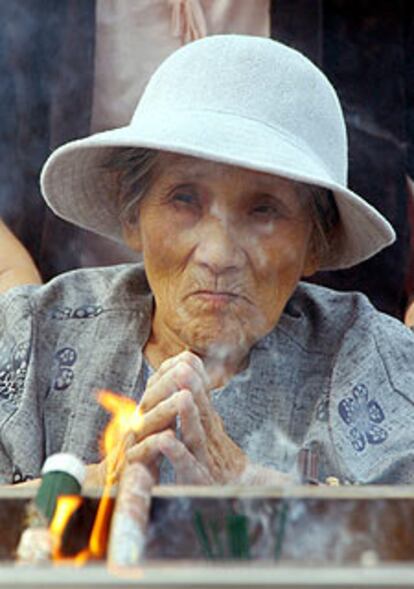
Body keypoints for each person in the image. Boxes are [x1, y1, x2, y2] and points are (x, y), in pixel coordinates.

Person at [1, 35, 413, 489]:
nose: (217, 255)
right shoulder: (31, 334)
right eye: (184, 199)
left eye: (264, 210)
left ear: (315, 243)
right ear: (132, 214)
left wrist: (256, 488)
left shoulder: (368, 357)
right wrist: (95, 482)